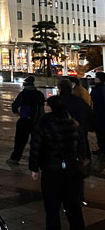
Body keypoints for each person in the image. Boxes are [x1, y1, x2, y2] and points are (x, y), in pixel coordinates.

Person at [29, 96, 87, 230]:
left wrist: (34, 168)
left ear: (50, 108)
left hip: (52, 171)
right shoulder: (74, 123)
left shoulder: (43, 123)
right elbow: (82, 147)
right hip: (72, 171)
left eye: (46, 105)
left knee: (52, 209)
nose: (44, 107)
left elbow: (36, 147)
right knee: (74, 208)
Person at [6, 75, 46, 165]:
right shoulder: (39, 94)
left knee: (20, 140)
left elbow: (15, 106)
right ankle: (38, 160)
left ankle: (15, 158)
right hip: (37, 120)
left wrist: (17, 112)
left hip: (25, 120)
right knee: (36, 142)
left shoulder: (23, 94)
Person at [90, 72, 105, 155]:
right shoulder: (102, 88)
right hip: (102, 113)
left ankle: (101, 148)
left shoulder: (96, 89)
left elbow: (93, 100)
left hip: (99, 113)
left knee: (100, 133)